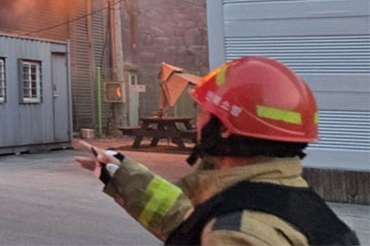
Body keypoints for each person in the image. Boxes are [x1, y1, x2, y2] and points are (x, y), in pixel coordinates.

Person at [77, 56, 358, 245]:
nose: (198, 119)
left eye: (203, 111)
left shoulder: (237, 234)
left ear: (224, 128)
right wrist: (121, 176)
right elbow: (189, 220)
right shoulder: (288, 199)